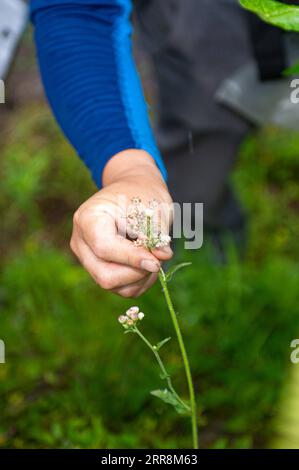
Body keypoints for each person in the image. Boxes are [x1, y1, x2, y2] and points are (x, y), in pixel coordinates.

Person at [29, 0, 287, 297]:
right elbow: (80, 8)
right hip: (209, 24)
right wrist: (131, 171)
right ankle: (204, 263)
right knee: (199, 146)